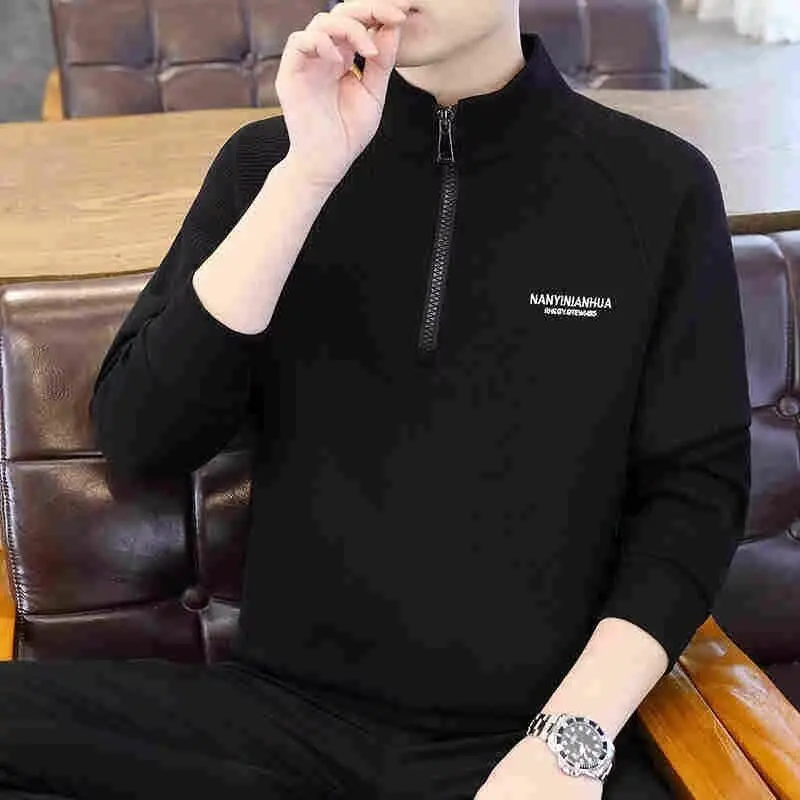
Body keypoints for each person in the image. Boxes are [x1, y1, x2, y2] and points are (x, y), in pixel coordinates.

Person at [0, 0, 750, 798]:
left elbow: (694, 499)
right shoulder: (270, 164)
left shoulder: (655, 186)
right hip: (280, 721)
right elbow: (142, 439)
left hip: (523, 742)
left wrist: (570, 742)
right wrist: (305, 178)